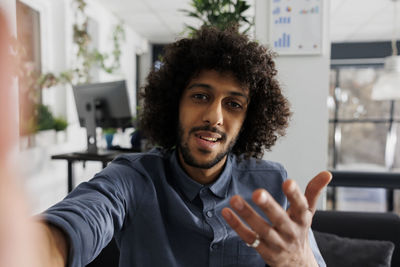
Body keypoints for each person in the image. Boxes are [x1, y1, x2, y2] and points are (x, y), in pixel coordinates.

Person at [1, 23, 331, 267]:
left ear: (249, 120)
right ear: (174, 103)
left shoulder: (272, 185)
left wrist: (301, 262)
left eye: (233, 104)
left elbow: (304, 258)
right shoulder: (131, 178)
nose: (214, 116)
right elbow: (79, 222)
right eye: (200, 96)